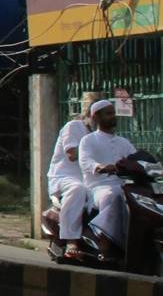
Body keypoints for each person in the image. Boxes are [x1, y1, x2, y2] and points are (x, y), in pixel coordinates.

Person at [78, 99, 135, 262]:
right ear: (96, 117)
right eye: (108, 113)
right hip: (98, 187)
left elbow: (135, 158)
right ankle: (104, 246)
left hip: (124, 185)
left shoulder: (123, 142)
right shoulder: (88, 140)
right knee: (112, 195)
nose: (113, 116)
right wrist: (100, 167)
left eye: (113, 113)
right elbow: (85, 162)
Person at [47, 100, 92, 261]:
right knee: (77, 189)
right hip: (65, 177)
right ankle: (71, 241)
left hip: (93, 180)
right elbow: (72, 154)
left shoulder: (105, 133)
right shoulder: (74, 127)